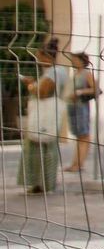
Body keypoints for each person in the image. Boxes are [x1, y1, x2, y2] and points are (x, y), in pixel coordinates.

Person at [18, 39, 69, 193]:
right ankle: (42, 183)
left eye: (39, 57)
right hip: (48, 115)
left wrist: (30, 84)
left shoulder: (54, 72)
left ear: (47, 57)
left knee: (40, 147)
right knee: (45, 147)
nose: (38, 61)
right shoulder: (58, 71)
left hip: (44, 115)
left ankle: (42, 184)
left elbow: (43, 93)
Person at [63, 50, 97, 173]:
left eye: (75, 59)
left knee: (83, 135)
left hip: (81, 106)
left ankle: (79, 163)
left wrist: (80, 92)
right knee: (78, 135)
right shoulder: (75, 73)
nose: (73, 61)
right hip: (72, 106)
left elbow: (96, 89)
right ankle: (75, 163)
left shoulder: (87, 74)